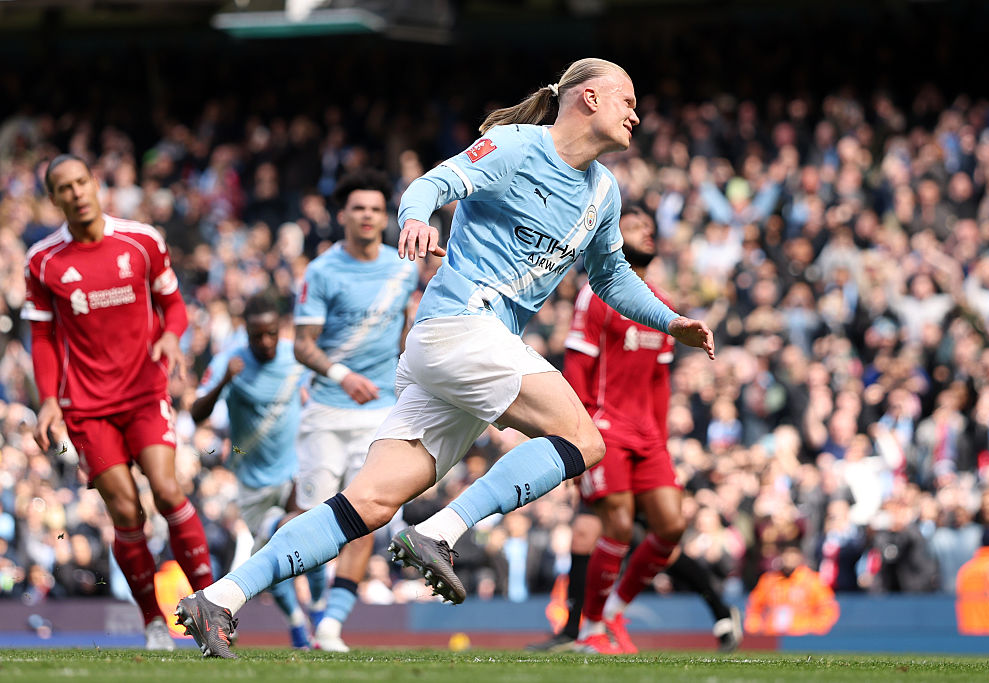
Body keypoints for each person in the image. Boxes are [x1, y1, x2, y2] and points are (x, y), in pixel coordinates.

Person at [176, 57, 714, 658]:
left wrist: (669, 320)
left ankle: (219, 598)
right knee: (585, 442)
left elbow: (612, 277)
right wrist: (412, 218)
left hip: (467, 349)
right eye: (628, 100)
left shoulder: (604, 192)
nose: (636, 114)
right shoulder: (514, 147)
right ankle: (438, 531)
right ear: (588, 98)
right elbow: (432, 185)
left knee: (370, 502)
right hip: (461, 325)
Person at [532, 205, 742, 655]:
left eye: (650, 226)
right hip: (605, 431)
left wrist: (661, 440)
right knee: (617, 528)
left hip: (648, 437)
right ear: (612, 235)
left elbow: (659, 382)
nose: (647, 231)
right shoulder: (595, 295)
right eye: (635, 225)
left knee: (671, 526)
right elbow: (577, 371)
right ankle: (588, 631)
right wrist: (580, 436)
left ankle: (612, 610)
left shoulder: (664, 307)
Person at [25, 154, 213, 650]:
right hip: (86, 408)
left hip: (146, 393)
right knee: (128, 512)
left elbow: (173, 305)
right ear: (54, 198)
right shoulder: (43, 261)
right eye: (63, 187)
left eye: (82, 181)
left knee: (169, 490)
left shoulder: (143, 240)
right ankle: (155, 622)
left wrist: (172, 338)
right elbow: (41, 338)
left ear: (96, 184)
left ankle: (214, 608)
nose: (76, 192)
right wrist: (48, 401)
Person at [289, 169, 419, 651]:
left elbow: (409, 334)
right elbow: (302, 345)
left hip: (380, 413)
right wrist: (343, 375)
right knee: (311, 521)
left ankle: (330, 626)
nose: (367, 216)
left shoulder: (404, 268)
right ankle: (312, 603)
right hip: (326, 411)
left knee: (368, 516)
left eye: (376, 209)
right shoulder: (321, 272)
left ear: (386, 218)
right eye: (358, 208)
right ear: (343, 215)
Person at [190, 293, 311, 648]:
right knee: (274, 553)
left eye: (272, 333)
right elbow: (196, 413)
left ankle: (315, 616)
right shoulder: (231, 360)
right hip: (252, 481)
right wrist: (224, 381)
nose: (266, 342)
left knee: (301, 541)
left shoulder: (294, 356)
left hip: (292, 471)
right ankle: (298, 624)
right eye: (258, 335)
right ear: (246, 332)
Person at [744, 543, 840, 636]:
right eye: (786, 554)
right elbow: (754, 606)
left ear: (800, 557)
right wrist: (756, 626)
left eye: (793, 554)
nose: (789, 559)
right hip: (773, 636)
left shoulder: (812, 580)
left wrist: (814, 627)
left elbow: (828, 608)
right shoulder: (769, 580)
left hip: (802, 636)